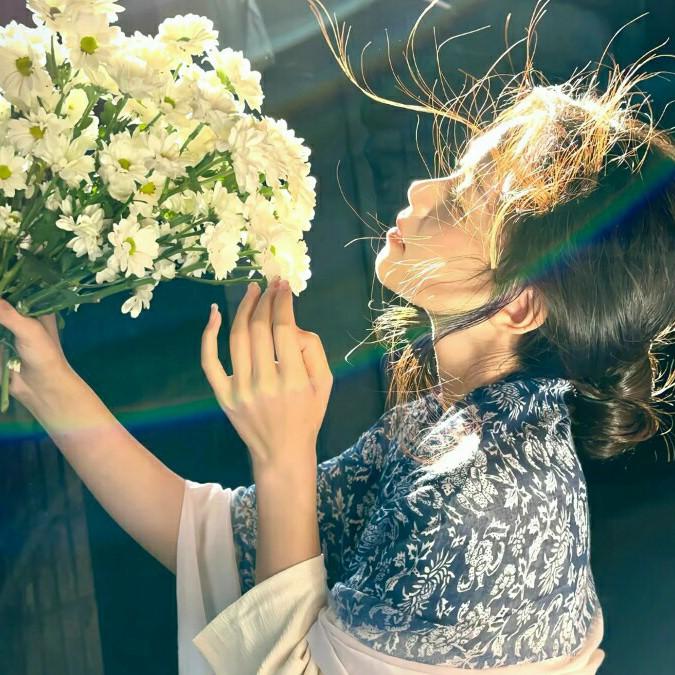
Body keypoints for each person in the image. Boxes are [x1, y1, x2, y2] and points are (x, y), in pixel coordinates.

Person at [2, 1, 674, 673]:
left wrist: (284, 457)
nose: (422, 188)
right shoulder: (440, 430)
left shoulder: (484, 494)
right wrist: (48, 380)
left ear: (522, 305)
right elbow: (210, 539)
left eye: (461, 200)